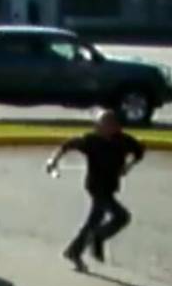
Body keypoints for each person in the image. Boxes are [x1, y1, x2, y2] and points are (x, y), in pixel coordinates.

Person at [46, 110, 144, 272]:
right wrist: (53, 161)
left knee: (94, 220)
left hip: (110, 186)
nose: (98, 127)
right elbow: (66, 145)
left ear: (114, 127)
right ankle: (97, 238)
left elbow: (139, 151)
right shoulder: (91, 141)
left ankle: (74, 251)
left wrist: (128, 166)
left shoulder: (124, 141)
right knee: (121, 216)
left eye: (103, 125)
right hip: (96, 187)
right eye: (98, 124)